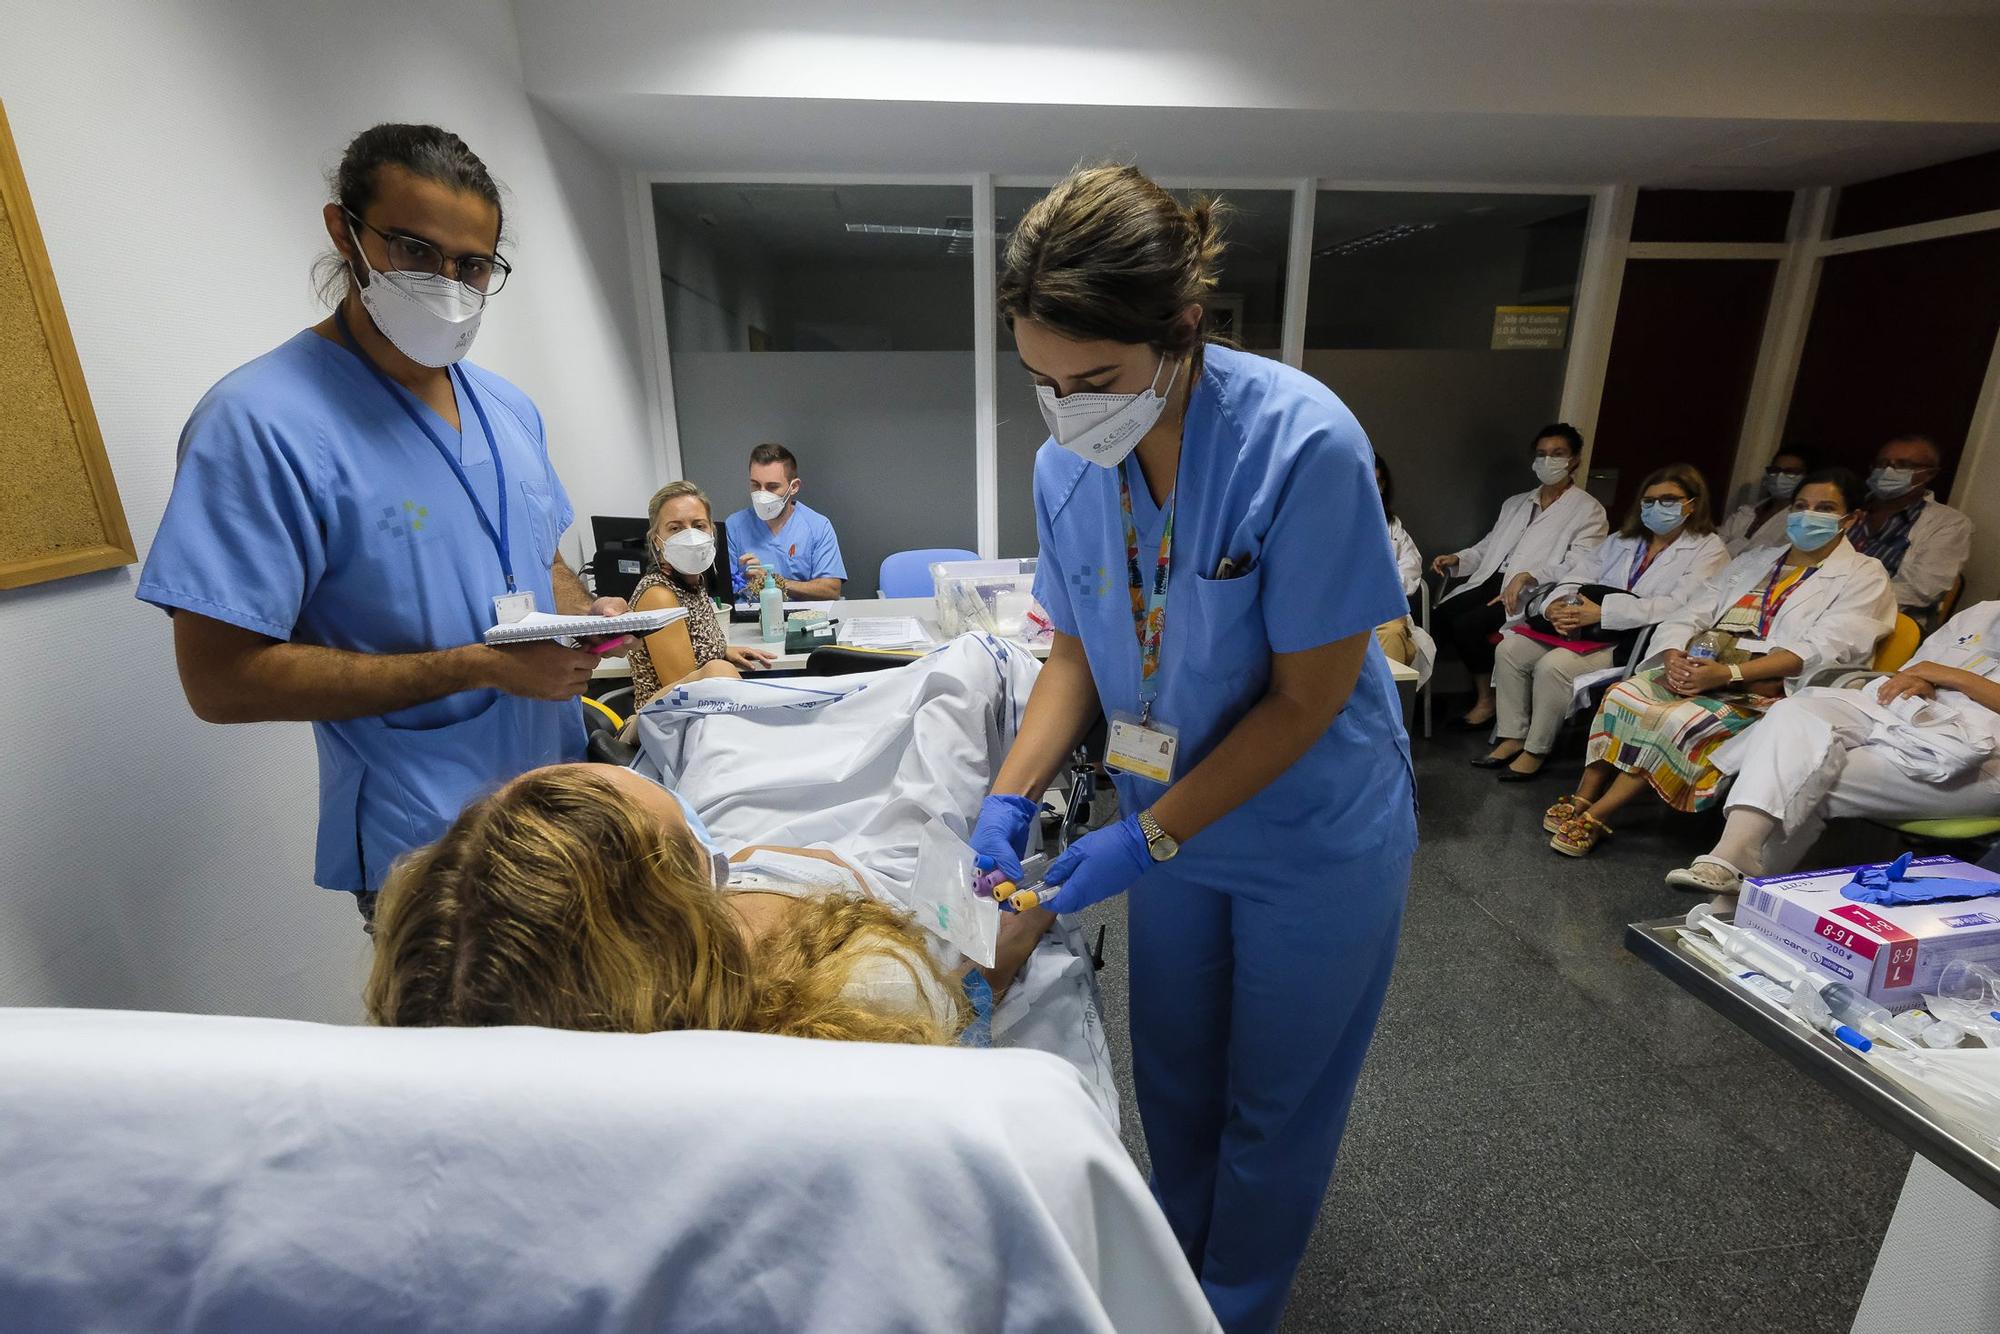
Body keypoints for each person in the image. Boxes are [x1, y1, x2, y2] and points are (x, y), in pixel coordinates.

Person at [974, 165, 1416, 1334]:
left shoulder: (1300, 444)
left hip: (1306, 828)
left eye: (1096, 380)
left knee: (1273, 1107)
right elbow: (1072, 650)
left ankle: (1233, 1311)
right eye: (1041, 383)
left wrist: (1143, 837)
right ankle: (1165, 1284)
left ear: (1181, 330)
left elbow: (1304, 697)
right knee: (1173, 1083)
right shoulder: (1063, 459)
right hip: (1159, 823)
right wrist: (1004, 798)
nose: (1069, 409)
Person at [135, 124, 630, 921]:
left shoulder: (506, 407)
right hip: (431, 855)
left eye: (472, 265)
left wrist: (583, 615)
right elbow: (219, 682)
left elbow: (543, 558)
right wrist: (479, 665)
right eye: (415, 250)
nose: (448, 282)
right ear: (346, 234)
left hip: (562, 808)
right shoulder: (263, 423)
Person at [364, 763, 1053, 1039]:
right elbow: (951, 1013)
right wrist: (1001, 957)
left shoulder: (466, 986)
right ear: (670, 908)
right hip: (876, 871)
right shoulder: (863, 983)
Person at [1544, 468, 1896, 856]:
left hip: (1764, 687)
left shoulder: (1864, 575)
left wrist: (1729, 673)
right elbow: (1692, 611)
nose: (1807, 515)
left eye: (1824, 508)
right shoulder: (1758, 560)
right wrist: (1675, 653)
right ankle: (1583, 794)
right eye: (1800, 506)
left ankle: (1598, 814)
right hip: (1702, 667)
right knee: (1623, 695)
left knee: (1676, 719)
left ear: (1850, 519)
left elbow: (1825, 648)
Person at [1666, 600, 2000, 893]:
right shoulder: (1982, 615)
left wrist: (1953, 676)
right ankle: (1732, 855)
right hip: (1907, 716)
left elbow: (1938, 671)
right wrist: (1923, 677)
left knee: (1812, 773)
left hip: (1983, 760)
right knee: (1794, 712)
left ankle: (1731, 905)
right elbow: (1916, 671)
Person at [1479, 464, 1730, 780]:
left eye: (1668, 500)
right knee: (1511, 648)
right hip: (1586, 629)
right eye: (1649, 501)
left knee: (1554, 665)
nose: (1656, 508)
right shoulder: (1622, 540)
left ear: (1692, 504)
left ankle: (1536, 749)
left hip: (1635, 640)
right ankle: (1512, 735)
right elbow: (1579, 574)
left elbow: (1680, 606)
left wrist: (1603, 612)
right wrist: (1561, 606)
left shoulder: (1708, 549)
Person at [1430, 424, 1609, 730]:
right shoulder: (1516, 503)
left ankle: (1486, 701)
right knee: (1438, 617)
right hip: (1492, 580)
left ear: (1575, 460)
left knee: (1468, 624)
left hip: (1534, 593)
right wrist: (1459, 559)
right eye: (1541, 454)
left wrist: (1532, 575)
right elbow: (1490, 545)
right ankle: (1424, 699)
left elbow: (1582, 563)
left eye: (1558, 453)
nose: (1548, 460)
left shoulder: (1588, 511)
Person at [627, 481, 774, 709]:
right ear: (657, 539)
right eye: (675, 528)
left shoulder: (693, 582)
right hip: (667, 726)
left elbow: (694, 649)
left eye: (699, 526)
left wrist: (722, 650)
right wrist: (718, 665)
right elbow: (685, 694)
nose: (691, 536)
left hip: (704, 717)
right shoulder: (659, 596)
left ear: (712, 532)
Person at [1846, 434, 1973, 622]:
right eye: (1882, 464)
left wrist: (1843, 602)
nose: (1888, 470)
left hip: (1884, 619)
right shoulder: (1847, 507)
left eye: (1903, 465)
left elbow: (1921, 591)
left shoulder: (1950, 524)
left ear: (1930, 473)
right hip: (1814, 607)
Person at [722, 443, 847, 600]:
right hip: (750, 618)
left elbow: (831, 589)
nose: (761, 494)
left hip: (802, 618)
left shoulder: (818, 526)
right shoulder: (735, 526)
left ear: (793, 487)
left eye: (772, 487)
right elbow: (723, 591)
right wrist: (741, 578)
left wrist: (771, 581)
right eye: (755, 485)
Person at [1374, 453, 1423, 666]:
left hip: (1384, 608)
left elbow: (1411, 567)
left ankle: (1392, 700)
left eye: (1374, 482)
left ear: (1382, 485)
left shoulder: (1392, 526)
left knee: (1393, 632)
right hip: (1341, 610)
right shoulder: (1330, 523)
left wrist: (1381, 588)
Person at [1719, 447, 1813, 554]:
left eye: (1790, 472)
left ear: (1806, 477)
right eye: (1775, 471)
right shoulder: (1747, 510)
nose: (1780, 477)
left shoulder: (1801, 521)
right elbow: (1717, 543)